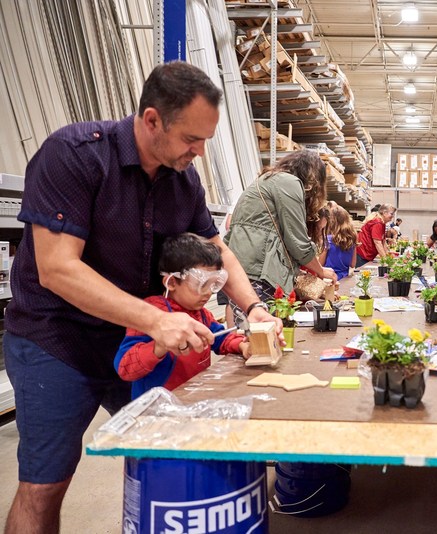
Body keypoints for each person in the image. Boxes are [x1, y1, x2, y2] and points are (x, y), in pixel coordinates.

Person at [2, 61, 281, 534]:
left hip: (133, 340)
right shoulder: (73, 156)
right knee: (45, 484)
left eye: (207, 140)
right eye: (192, 139)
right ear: (152, 120)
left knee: (169, 449)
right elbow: (57, 269)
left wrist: (253, 308)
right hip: (57, 341)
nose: (200, 151)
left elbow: (219, 251)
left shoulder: (184, 180)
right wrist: (155, 322)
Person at [115, 234, 252, 399]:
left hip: (193, 399)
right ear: (171, 282)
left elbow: (221, 338)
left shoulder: (202, 314)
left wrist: (242, 346)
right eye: (201, 284)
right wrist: (159, 346)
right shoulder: (150, 315)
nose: (208, 293)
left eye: (213, 284)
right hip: (157, 409)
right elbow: (125, 368)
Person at [224, 149, 338, 313]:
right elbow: (297, 241)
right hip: (259, 269)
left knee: (245, 333)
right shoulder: (288, 182)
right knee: (260, 333)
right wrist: (321, 271)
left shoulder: (268, 180)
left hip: (243, 266)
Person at [320, 205, 358, 280]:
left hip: (329, 279)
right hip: (344, 278)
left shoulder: (327, 240)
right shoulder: (351, 240)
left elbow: (320, 264)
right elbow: (352, 264)